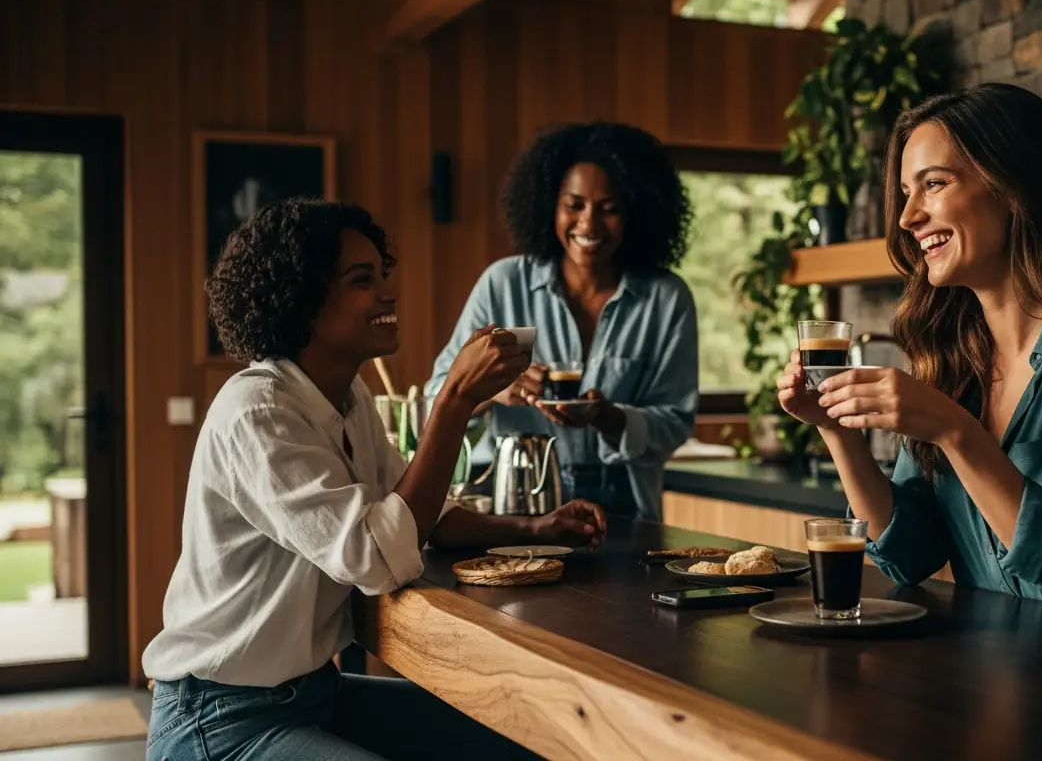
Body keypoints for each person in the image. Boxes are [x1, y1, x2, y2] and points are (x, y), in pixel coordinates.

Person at [144, 198, 605, 760]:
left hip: (315, 696)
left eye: (383, 275)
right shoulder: (259, 411)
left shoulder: (347, 395)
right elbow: (374, 557)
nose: (389, 293)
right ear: (304, 298)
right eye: (363, 280)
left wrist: (534, 528)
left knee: (523, 738)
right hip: (218, 720)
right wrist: (455, 400)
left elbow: (417, 514)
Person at [777, 84, 1042, 623]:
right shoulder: (952, 356)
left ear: (1013, 187)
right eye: (906, 192)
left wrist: (957, 431)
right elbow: (908, 555)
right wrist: (837, 430)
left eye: (934, 184)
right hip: (992, 676)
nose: (907, 217)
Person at [427, 122, 699, 522]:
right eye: (574, 205)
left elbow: (675, 421)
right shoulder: (503, 285)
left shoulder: (666, 298)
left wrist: (609, 417)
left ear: (636, 214)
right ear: (548, 204)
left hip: (624, 505)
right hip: (513, 499)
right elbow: (437, 396)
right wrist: (495, 386)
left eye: (609, 209)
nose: (588, 225)